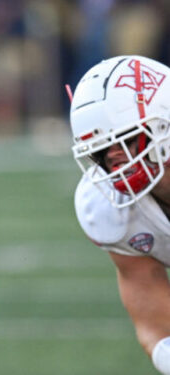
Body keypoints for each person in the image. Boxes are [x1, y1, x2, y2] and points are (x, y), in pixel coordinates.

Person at [70, 55, 170, 375]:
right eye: (101, 151)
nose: (116, 160)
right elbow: (157, 329)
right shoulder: (107, 209)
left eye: (127, 140)